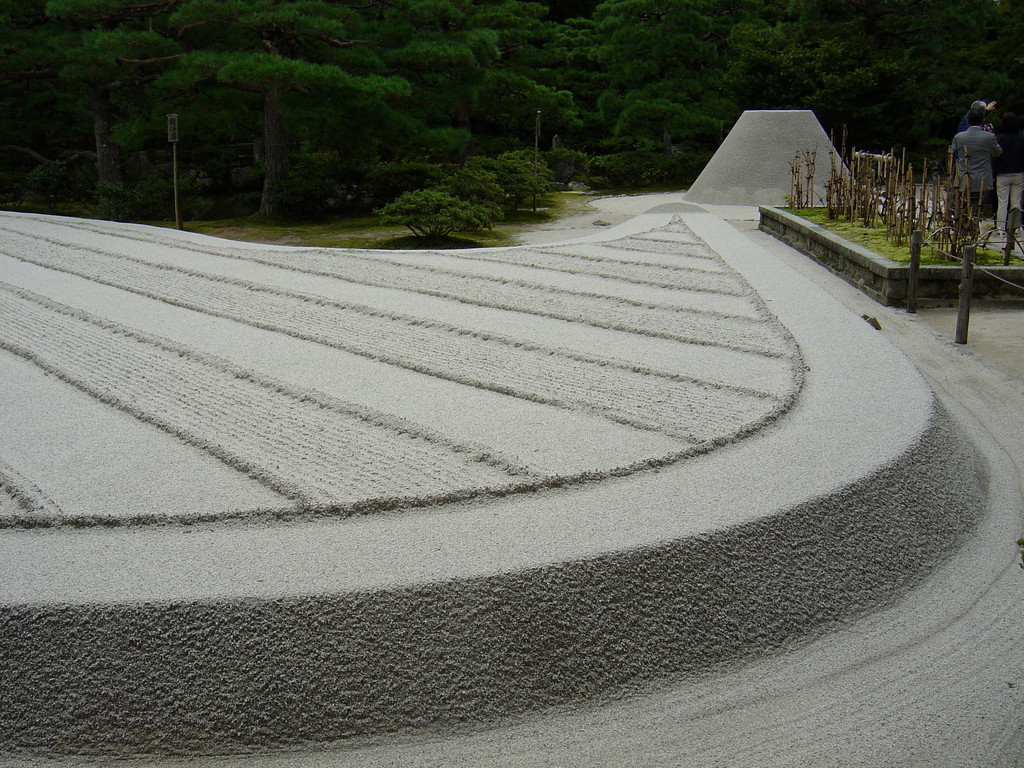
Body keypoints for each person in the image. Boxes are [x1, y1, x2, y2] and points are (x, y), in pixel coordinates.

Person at [951, 108, 1003, 218]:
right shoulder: (989, 137)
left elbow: (953, 152)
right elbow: (998, 153)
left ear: (967, 121)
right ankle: (974, 230)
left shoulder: (958, 137)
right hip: (982, 179)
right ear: (983, 121)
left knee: (962, 210)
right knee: (978, 210)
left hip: (963, 178)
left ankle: (963, 230)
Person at [993, 112, 1024, 233]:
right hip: (1018, 172)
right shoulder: (1021, 137)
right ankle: (1016, 228)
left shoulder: (999, 138)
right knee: (1016, 203)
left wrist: (994, 173)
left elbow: (996, 157)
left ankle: (1001, 228)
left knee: (1002, 202)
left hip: (1003, 173)